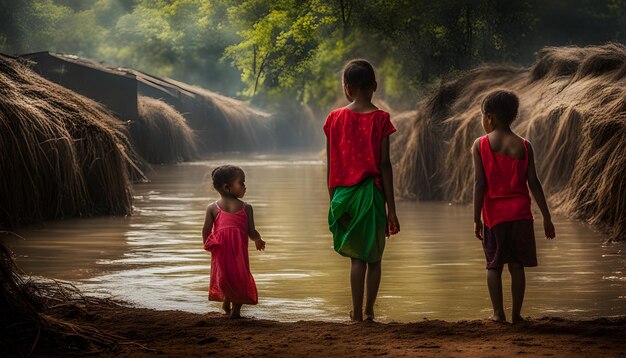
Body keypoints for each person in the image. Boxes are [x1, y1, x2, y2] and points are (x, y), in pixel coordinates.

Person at [323, 59, 400, 322]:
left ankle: (355, 313)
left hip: (343, 196)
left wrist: (334, 202)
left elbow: (331, 164)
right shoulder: (381, 119)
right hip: (372, 195)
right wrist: (392, 209)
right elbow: (385, 165)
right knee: (374, 258)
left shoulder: (334, 118)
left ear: (346, 88)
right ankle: (369, 311)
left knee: (357, 259)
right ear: (374, 86)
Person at [472, 90, 556, 324]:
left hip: (493, 217)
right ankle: (517, 315)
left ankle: (498, 314)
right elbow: (534, 184)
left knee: (494, 266)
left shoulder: (480, 145)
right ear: (513, 116)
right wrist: (547, 218)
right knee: (517, 267)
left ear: (489, 118)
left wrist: (476, 218)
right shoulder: (525, 146)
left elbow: (479, 184)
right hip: (521, 215)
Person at [202, 165, 265, 319]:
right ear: (227, 188)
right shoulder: (213, 208)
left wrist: (257, 239)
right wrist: (208, 244)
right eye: (241, 183)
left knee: (237, 277)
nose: (245, 186)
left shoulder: (246, 208)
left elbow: (250, 230)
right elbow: (206, 228)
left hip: (237, 252)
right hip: (221, 250)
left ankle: (234, 308)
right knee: (227, 277)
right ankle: (228, 302)